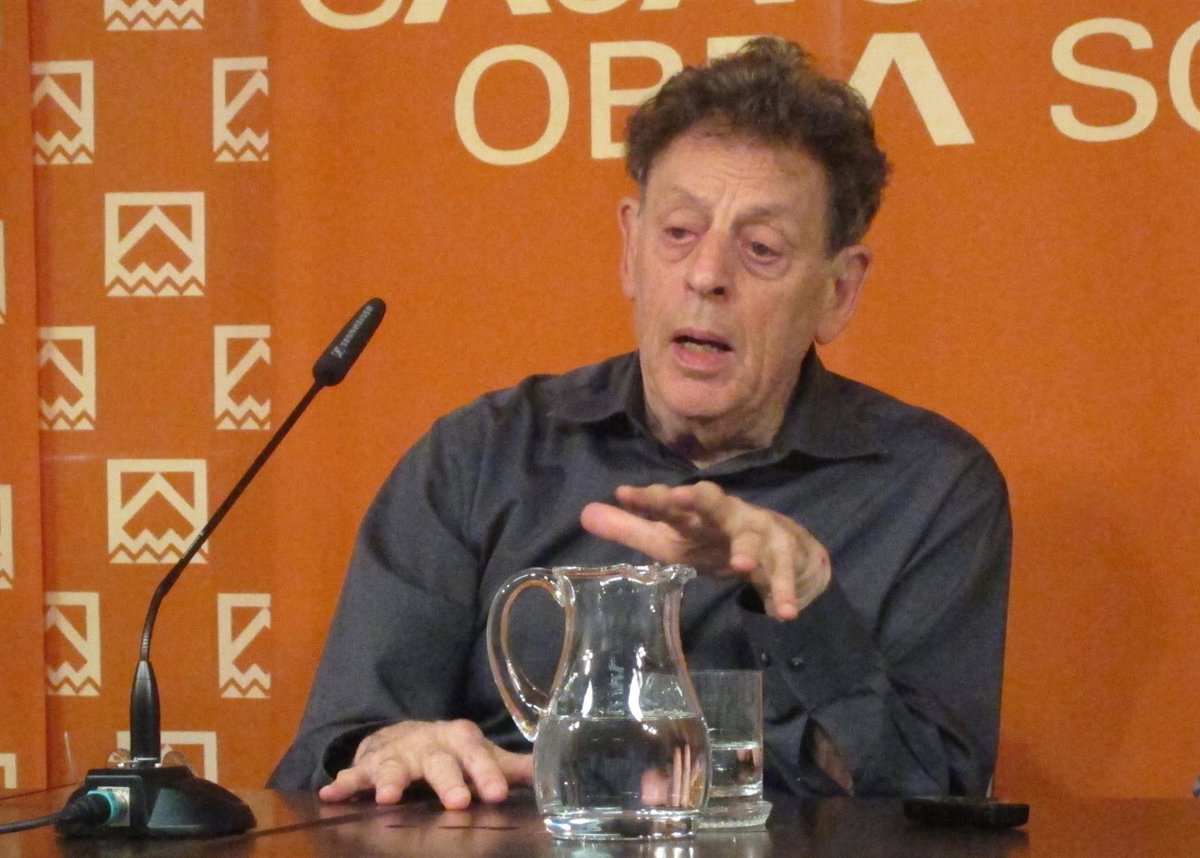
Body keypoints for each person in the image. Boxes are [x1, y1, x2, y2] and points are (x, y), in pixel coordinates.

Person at [269, 36, 1011, 808]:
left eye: (761, 249)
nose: (706, 275)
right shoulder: (481, 457)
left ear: (838, 291)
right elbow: (328, 755)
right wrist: (389, 752)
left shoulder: (931, 489)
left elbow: (939, 806)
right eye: (678, 232)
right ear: (630, 247)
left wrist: (810, 606)